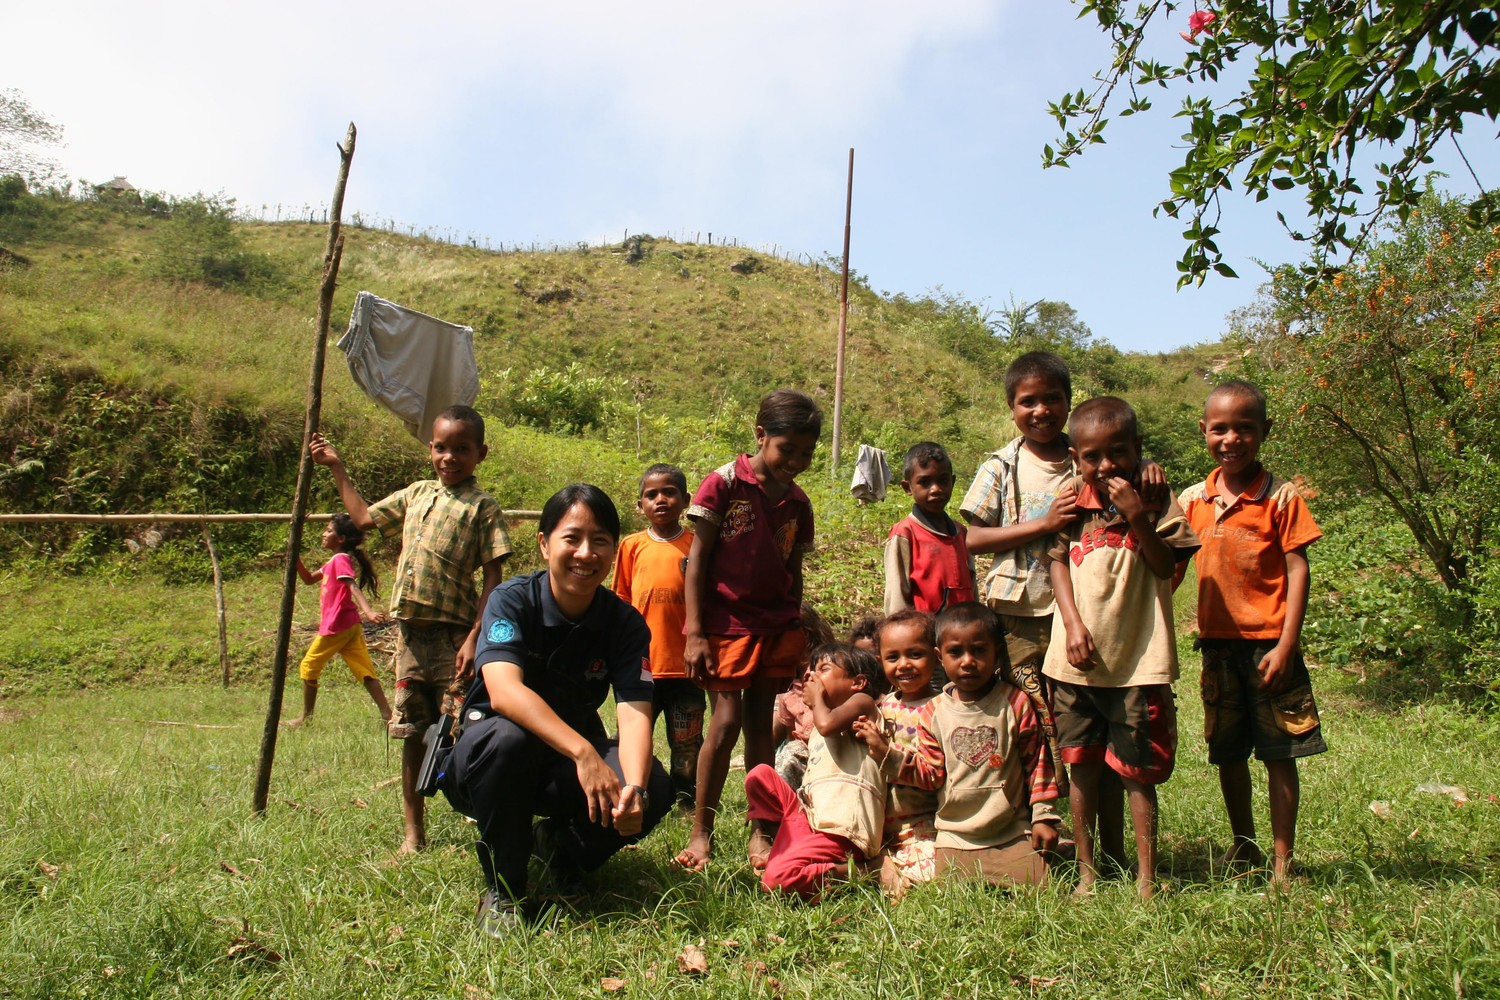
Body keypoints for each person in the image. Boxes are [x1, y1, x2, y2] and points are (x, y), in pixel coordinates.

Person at [959, 351, 1166, 859]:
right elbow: (972, 538)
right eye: (1028, 401)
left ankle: (1110, 848)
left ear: (1068, 403)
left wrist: (1151, 466)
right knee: (1037, 725)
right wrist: (1043, 525)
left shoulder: (1094, 450)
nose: (1041, 410)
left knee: (1097, 729)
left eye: (1052, 398)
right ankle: (1042, 837)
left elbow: (1134, 471)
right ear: (1011, 408)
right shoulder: (1001, 465)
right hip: (1021, 613)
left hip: (1093, 618)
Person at [443, 484, 673, 935]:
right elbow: (505, 692)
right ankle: (505, 891)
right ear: (545, 543)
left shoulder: (624, 623)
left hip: (560, 766)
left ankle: (559, 848)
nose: (586, 553)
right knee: (507, 740)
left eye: (600, 540)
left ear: (614, 550)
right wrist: (584, 753)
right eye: (572, 538)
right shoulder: (511, 601)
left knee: (655, 783)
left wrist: (637, 791)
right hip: (486, 759)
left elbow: (635, 709)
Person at [309, 404, 512, 854]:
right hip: (410, 639)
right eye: (441, 447)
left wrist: (476, 636)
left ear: (481, 453)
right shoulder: (416, 494)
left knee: (464, 730)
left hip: (454, 637)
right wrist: (337, 467)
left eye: (462, 449)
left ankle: (486, 819)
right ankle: (413, 833)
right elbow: (363, 519)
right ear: (430, 450)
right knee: (412, 731)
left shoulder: (482, 507)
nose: (449, 457)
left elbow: (494, 577)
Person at [1041, 397, 1200, 899]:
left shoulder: (1155, 497)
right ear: (1075, 456)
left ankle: (1146, 878)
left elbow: (1164, 566)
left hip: (1138, 663)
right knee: (1081, 767)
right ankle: (1088, 873)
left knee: (1138, 775)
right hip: (1075, 663)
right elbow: (1058, 562)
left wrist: (1138, 518)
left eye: (1117, 452)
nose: (1105, 466)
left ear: (1137, 449)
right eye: (1092, 456)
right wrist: (1071, 624)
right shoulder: (1070, 499)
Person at [1179, 380, 1326, 887]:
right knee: (1229, 753)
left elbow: (1297, 567)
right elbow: (1169, 566)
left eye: (1245, 428)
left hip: (1271, 647)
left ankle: (1283, 861)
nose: (1231, 438)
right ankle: (1244, 849)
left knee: (1280, 754)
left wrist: (1287, 643)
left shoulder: (1282, 497)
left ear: (1264, 431)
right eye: (1220, 428)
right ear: (1204, 432)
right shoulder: (1192, 500)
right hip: (1218, 648)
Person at [677, 388, 821, 871]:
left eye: (807, 453)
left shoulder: (799, 503)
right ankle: (702, 830)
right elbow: (696, 560)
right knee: (726, 722)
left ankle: (761, 830)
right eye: (788, 449)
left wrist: (795, 621)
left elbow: (793, 568)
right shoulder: (722, 484)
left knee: (763, 726)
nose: (797, 461)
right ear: (761, 436)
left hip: (775, 625)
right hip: (725, 625)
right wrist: (694, 631)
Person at [858, 603, 1061, 887]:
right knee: (940, 884)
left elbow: (1036, 763)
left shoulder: (1014, 703)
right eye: (956, 653)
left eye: (979, 650)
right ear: (942, 657)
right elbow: (932, 774)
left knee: (1040, 883)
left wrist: (1044, 815)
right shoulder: (934, 711)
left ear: (997, 654)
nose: (967, 661)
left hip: (1009, 831)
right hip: (954, 835)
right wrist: (888, 756)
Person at [744, 643, 886, 901]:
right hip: (811, 816)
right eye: (811, 670)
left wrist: (817, 700)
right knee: (759, 775)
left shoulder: (863, 704)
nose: (811, 676)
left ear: (858, 682)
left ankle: (869, 871)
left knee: (776, 881)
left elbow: (828, 724)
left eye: (824, 669)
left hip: (842, 828)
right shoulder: (825, 717)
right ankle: (779, 839)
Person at [612, 463, 700, 808]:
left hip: (686, 668)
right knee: (634, 737)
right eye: (651, 494)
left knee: (686, 741)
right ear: (640, 505)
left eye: (669, 492)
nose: (660, 500)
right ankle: (636, 793)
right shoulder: (631, 547)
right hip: (642, 667)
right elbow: (620, 600)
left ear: (686, 500)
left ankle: (686, 800)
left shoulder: (696, 546)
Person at [284, 513, 392, 728]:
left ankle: (306, 718)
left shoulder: (340, 559)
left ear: (340, 539)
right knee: (364, 670)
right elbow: (307, 579)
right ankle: (387, 714)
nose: (324, 534)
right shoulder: (332, 562)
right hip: (349, 625)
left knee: (308, 666)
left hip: (336, 626)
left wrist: (369, 612)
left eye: (328, 530)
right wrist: (295, 559)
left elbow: (351, 585)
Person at [870, 609, 941, 897]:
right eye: (893, 657)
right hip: (881, 826)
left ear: (936, 657)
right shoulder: (881, 708)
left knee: (936, 870)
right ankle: (881, 863)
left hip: (923, 825)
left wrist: (888, 752)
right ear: (880, 662)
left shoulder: (941, 709)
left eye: (915, 654)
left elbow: (937, 775)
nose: (904, 665)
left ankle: (886, 868)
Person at [883, 441, 975, 616]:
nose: (936, 489)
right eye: (925, 482)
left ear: (952, 482)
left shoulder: (961, 533)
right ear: (907, 487)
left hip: (961, 634)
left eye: (943, 480)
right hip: (924, 635)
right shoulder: (905, 533)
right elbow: (896, 597)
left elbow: (972, 587)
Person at [770, 604, 836, 791]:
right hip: (802, 748)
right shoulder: (787, 681)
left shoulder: (825, 670)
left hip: (829, 744)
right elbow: (789, 730)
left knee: (790, 755)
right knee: (788, 754)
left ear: (804, 636)